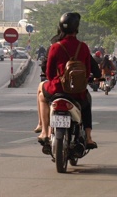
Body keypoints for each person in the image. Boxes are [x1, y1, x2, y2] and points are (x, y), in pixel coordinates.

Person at [37, 12, 97, 153]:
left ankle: (45, 131)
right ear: (76, 28)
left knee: (41, 96)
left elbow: (50, 73)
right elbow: (87, 72)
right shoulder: (83, 47)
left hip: (57, 88)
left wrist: (57, 80)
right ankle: (88, 137)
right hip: (77, 92)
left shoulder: (55, 47)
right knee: (87, 103)